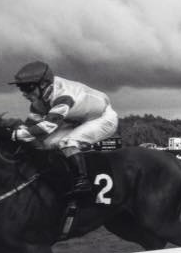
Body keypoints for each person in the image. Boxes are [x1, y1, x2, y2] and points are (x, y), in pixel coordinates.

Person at [9, 60, 119, 197]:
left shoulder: (63, 95)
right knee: (47, 144)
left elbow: (47, 127)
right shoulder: (38, 100)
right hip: (77, 119)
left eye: (27, 88)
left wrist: (17, 135)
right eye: (21, 88)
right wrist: (12, 131)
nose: (24, 93)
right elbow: (31, 126)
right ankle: (62, 177)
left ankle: (83, 181)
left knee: (67, 142)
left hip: (103, 118)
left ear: (43, 84)